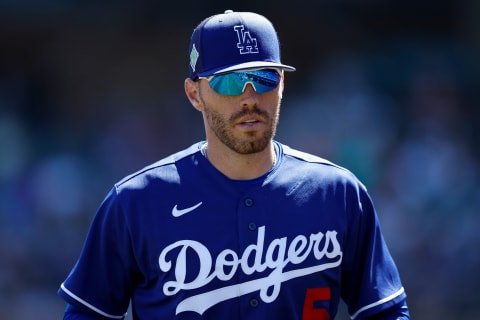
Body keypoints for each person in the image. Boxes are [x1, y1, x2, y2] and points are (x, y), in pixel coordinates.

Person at [58, 10, 410, 320]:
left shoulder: (337, 193)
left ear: (282, 84)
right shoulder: (136, 201)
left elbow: (385, 310)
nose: (249, 97)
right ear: (195, 94)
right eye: (228, 81)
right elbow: (88, 312)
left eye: (264, 77)